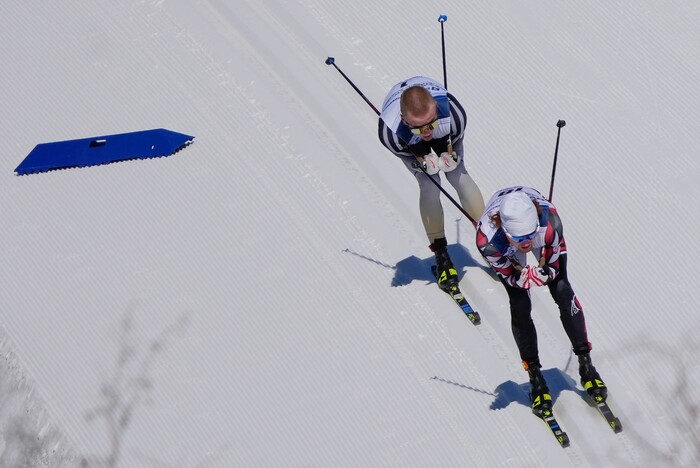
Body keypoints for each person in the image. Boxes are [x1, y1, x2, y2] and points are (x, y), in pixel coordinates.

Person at [475, 185, 607, 415]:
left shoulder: (550, 224)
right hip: (505, 247)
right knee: (519, 303)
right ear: (505, 230)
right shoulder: (488, 239)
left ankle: (587, 365)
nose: (525, 243)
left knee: (563, 291)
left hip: (542, 236)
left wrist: (547, 273)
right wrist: (520, 281)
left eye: (529, 235)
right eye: (519, 237)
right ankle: (535, 376)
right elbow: (508, 277)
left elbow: (555, 269)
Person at [378, 76, 485, 290]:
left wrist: (451, 156)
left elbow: (451, 145)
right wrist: (421, 164)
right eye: (419, 128)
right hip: (409, 143)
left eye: (430, 123)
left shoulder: (454, 115)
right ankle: (441, 253)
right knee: (430, 183)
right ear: (404, 119)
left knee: (456, 173)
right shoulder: (390, 133)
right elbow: (412, 156)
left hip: (445, 133)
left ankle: (490, 236)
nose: (426, 132)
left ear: (436, 107)